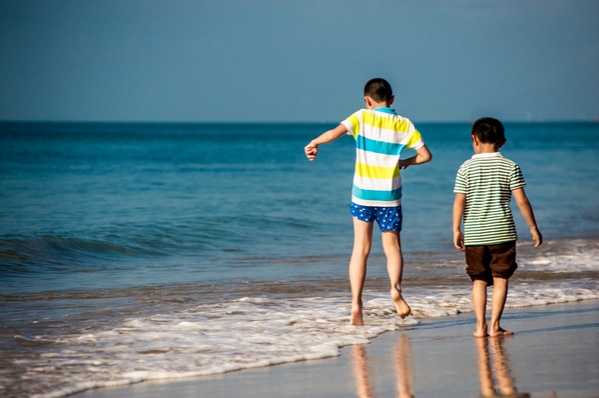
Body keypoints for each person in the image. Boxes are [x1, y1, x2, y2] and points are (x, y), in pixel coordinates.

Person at [304, 78, 432, 326]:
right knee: (392, 248)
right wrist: (406, 162)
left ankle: (355, 305)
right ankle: (395, 290)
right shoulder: (404, 124)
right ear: (392, 100)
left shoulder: (361, 117)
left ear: (367, 100)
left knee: (360, 249)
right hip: (389, 196)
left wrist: (314, 143)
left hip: (362, 195)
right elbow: (425, 156)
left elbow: (333, 134)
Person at [453, 117, 542, 337]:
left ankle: (479, 326)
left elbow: (459, 201)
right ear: (502, 142)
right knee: (501, 279)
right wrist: (533, 227)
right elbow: (522, 200)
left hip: (474, 236)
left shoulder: (466, 167)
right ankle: (494, 326)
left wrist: (456, 229)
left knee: (479, 281)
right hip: (502, 233)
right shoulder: (510, 166)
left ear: (473, 139)